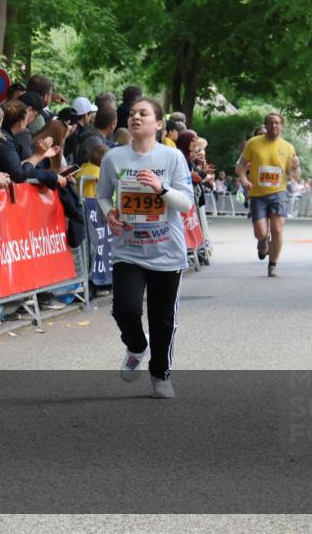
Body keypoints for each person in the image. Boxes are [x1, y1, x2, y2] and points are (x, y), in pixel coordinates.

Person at [97, 97, 194, 399]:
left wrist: (161, 188)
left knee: (162, 318)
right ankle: (137, 345)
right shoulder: (113, 158)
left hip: (167, 251)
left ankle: (160, 373)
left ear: (159, 124)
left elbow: (186, 202)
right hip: (128, 248)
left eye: (144, 113)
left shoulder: (172, 158)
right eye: (132, 114)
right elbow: (102, 196)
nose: (136, 117)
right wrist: (109, 214)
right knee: (124, 308)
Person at [237, 112, 297, 277]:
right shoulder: (253, 143)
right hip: (257, 194)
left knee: (277, 230)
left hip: (279, 193)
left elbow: (294, 175)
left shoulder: (288, 147)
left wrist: (296, 167)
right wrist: (243, 180)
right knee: (261, 232)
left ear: (282, 126)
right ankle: (263, 241)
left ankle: (272, 265)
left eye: (277, 123)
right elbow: (241, 166)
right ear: (266, 125)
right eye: (270, 123)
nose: (274, 126)